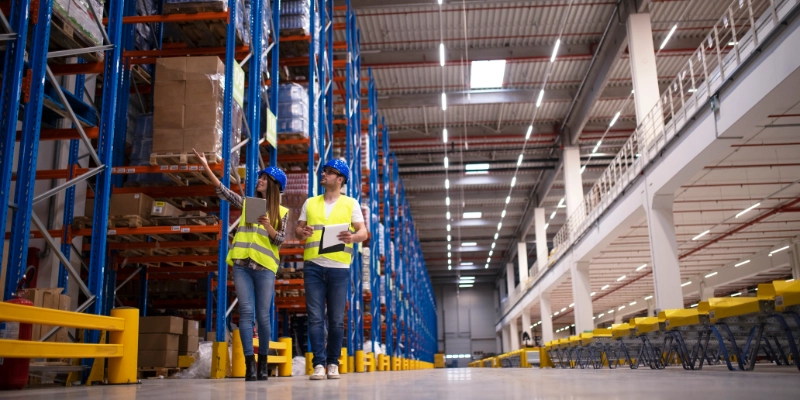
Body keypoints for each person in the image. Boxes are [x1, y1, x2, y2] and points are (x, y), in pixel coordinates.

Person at [193, 148, 288, 382]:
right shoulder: (249, 203)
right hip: (242, 265)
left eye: (265, 179)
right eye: (260, 177)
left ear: (274, 184)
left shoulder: (282, 212)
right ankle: (250, 366)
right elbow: (224, 192)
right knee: (245, 313)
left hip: (264, 269)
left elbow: (280, 240)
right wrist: (207, 167)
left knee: (262, 317)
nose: (260, 180)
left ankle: (263, 362)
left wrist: (267, 225)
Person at [295, 159, 367, 380]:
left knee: (335, 319)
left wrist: (353, 237)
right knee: (315, 317)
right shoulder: (310, 203)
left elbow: (363, 233)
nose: (323, 174)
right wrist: (302, 232)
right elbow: (298, 232)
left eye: (329, 172)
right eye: (324, 171)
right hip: (313, 266)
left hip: (338, 268)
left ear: (340, 179)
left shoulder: (351, 204)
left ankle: (332, 362)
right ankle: (318, 364)